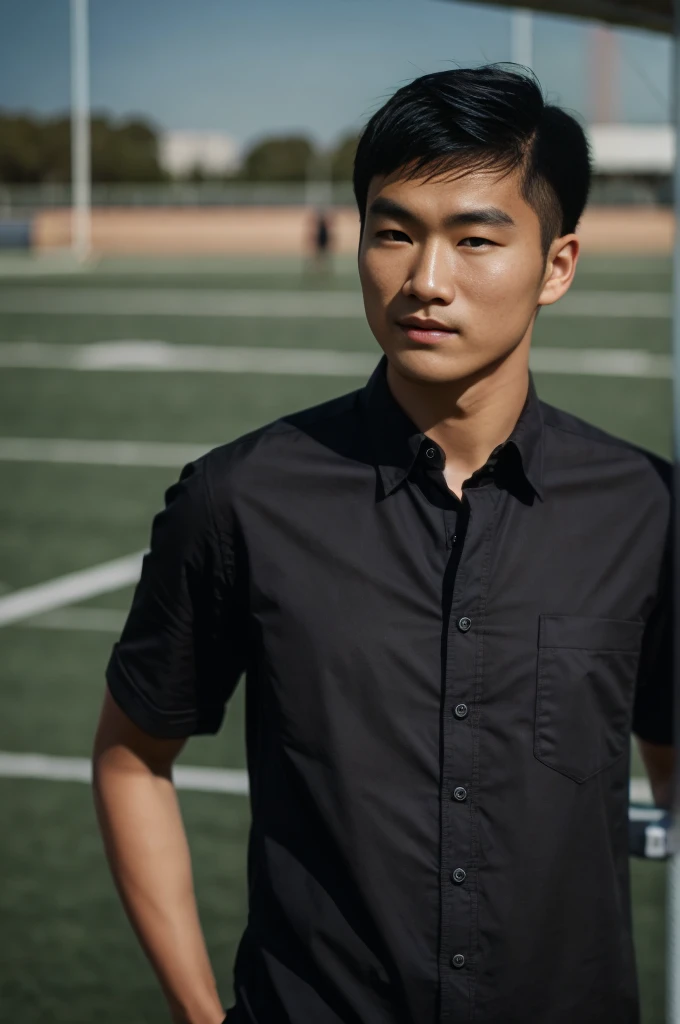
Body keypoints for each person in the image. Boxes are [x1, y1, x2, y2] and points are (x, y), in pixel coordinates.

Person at [92, 65, 675, 1024]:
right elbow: (130, 756)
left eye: (476, 239)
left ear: (558, 265)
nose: (425, 281)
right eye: (393, 231)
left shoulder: (646, 510)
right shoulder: (241, 497)